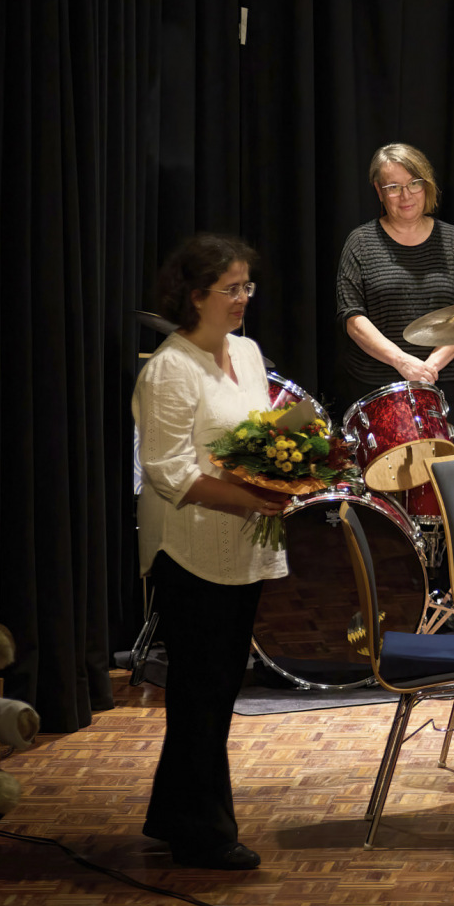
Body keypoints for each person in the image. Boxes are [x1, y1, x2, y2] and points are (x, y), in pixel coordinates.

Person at [133, 233, 288, 870]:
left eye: (247, 286)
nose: (243, 298)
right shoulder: (168, 369)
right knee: (201, 693)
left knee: (218, 688)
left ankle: (173, 815)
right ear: (195, 296)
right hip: (190, 548)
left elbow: (260, 436)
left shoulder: (245, 353)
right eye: (231, 289)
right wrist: (250, 498)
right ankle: (204, 833)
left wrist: (286, 471)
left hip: (239, 546)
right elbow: (167, 470)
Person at [334, 142, 454, 426]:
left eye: (414, 183)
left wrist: (428, 369)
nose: (406, 195)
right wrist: (402, 362)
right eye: (393, 187)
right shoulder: (360, 242)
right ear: (379, 191)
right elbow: (352, 318)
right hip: (378, 391)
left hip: (442, 385)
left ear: (426, 185)